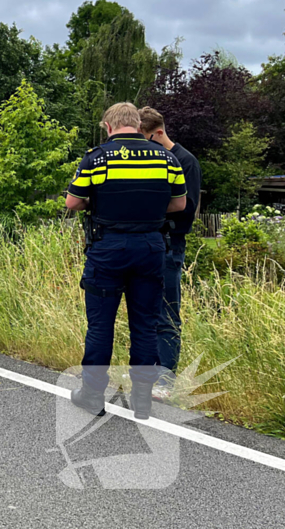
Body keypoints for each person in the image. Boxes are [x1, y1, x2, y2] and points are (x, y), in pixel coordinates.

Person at [65, 102, 187, 420]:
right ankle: (143, 400)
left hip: (109, 247)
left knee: (101, 325)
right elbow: (179, 204)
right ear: (136, 124)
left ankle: (92, 395)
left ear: (108, 126)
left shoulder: (97, 157)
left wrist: (102, 200)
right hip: (150, 247)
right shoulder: (167, 158)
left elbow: (73, 201)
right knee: (146, 324)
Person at [139, 106, 202, 400]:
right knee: (145, 310)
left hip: (169, 243)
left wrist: (148, 208)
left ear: (159, 133)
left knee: (166, 312)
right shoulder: (148, 160)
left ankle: (166, 378)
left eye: (146, 139)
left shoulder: (185, 161)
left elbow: (187, 207)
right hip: (147, 241)